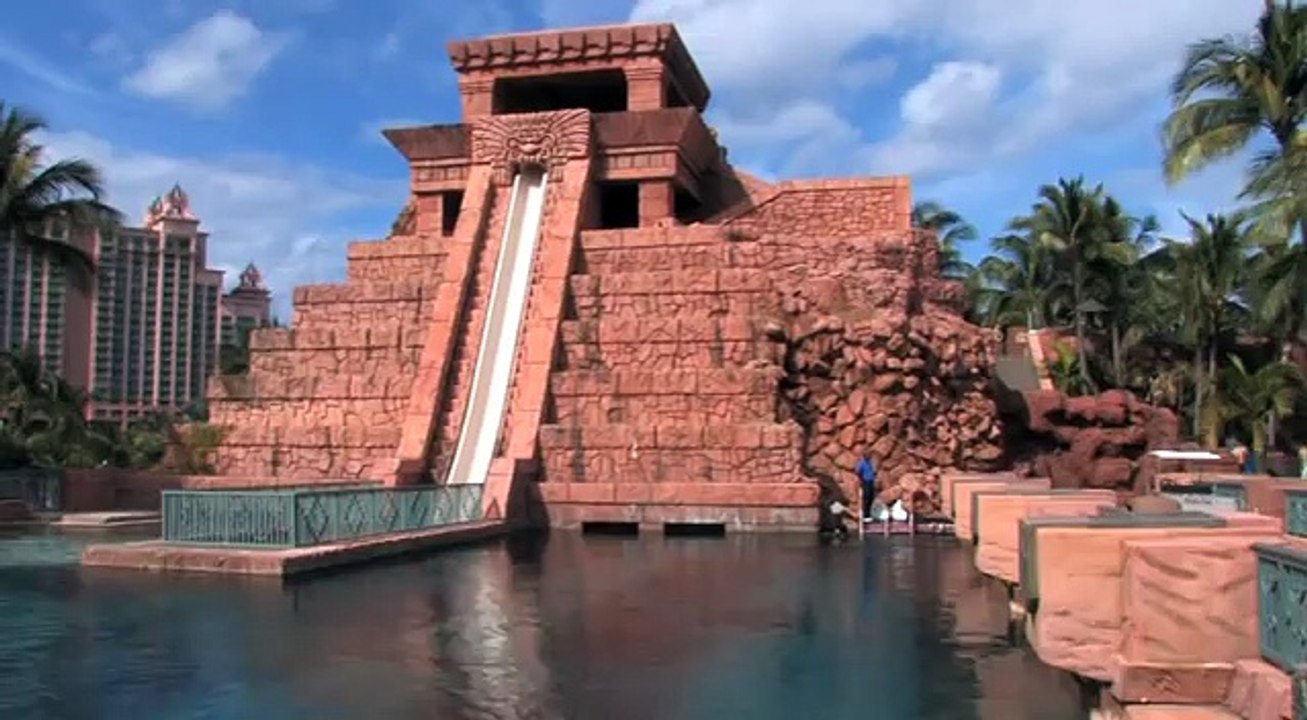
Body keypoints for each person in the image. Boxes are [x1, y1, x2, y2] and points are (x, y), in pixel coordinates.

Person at [855, 450, 878, 522]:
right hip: (866, 482)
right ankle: (865, 515)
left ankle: (870, 514)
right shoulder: (862, 463)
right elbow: (858, 471)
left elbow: (874, 471)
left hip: (871, 481)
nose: (869, 456)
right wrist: (862, 479)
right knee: (866, 498)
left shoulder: (871, 462)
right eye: (868, 455)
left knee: (871, 498)